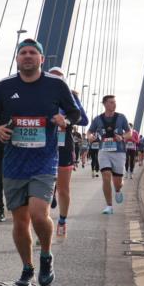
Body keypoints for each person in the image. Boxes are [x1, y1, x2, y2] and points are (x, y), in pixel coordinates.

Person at [0, 38, 80, 286]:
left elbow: (75, 113)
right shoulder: (4, 87)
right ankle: (27, 268)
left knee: (39, 214)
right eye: (23, 52)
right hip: (14, 162)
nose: (27, 56)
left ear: (41, 59)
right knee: (20, 221)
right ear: (17, 59)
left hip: (44, 161)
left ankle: (46, 255)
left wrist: (65, 121)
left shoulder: (56, 85)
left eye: (32, 53)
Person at [45, 68, 89, 238]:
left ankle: (62, 221)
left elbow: (83, 120)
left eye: (59, 79)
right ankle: (44, 228)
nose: (54, 81)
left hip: (64, 146)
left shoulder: (70, 98)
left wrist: (66, 119)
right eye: (51, 77)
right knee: (43, 189)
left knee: (63, 189)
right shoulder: (39, 94)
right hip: (43, 146)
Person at [87, 95, 130, 215]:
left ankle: (118, 190)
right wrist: (90, 137)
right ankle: (109, 206)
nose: (114, 104)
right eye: (111, 102)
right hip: (104, 151)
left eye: (114, 102)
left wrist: (122, 137)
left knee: (117, 182)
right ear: (105, 104)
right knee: (106, 176)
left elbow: (129, 133)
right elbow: (90, 131)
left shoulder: (121, 118)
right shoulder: (98, 119)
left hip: (119, 152)